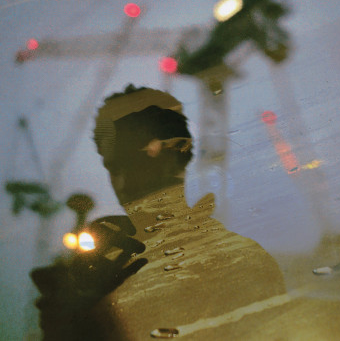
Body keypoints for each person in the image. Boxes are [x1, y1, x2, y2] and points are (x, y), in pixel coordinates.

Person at [88, 84, 287, 340]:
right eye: (113, 167)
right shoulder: (104, 275)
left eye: (130, 161)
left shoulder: (241, 261)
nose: (121, 182)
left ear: (175, 155)